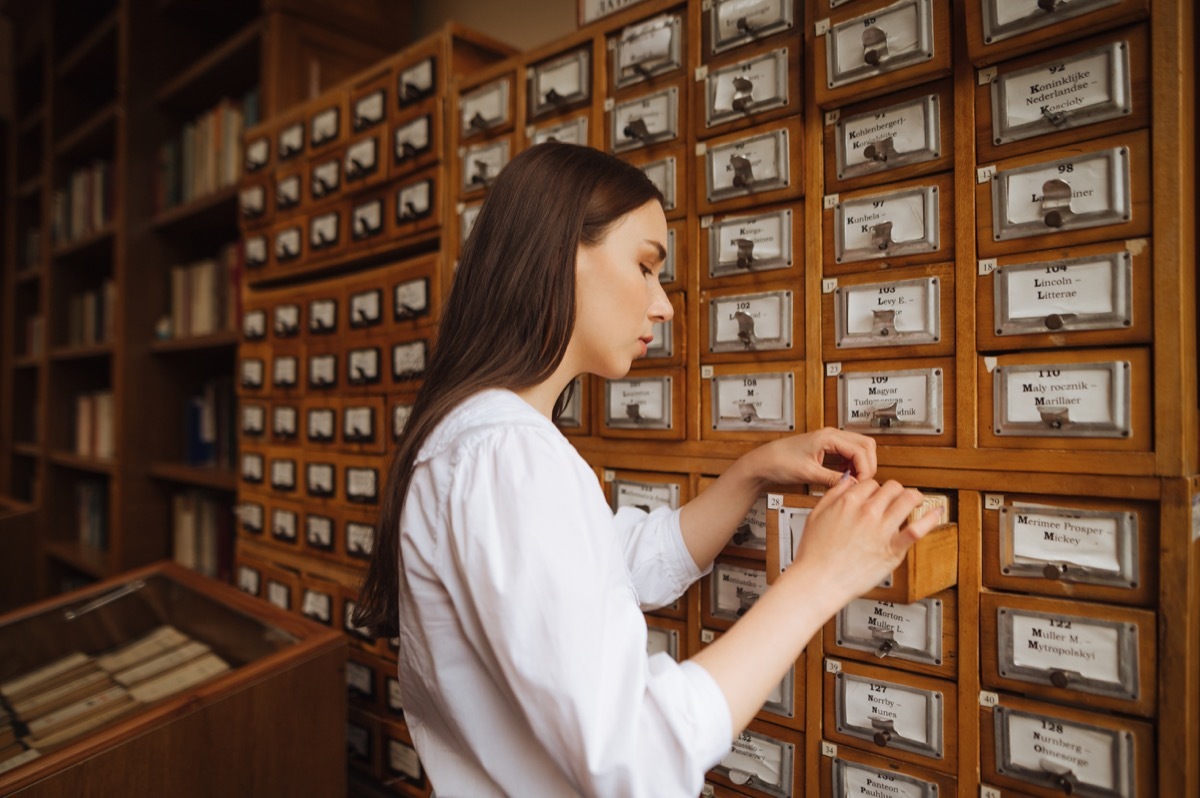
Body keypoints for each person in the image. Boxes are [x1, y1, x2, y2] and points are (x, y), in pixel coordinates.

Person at [353, 142, 942, 797]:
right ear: (558, 255)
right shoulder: (507, 454)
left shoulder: (475, 436)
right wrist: (821, 578)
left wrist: (749, 473)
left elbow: (607, 566)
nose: (663, 305)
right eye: (644, 266)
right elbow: (633, 756)